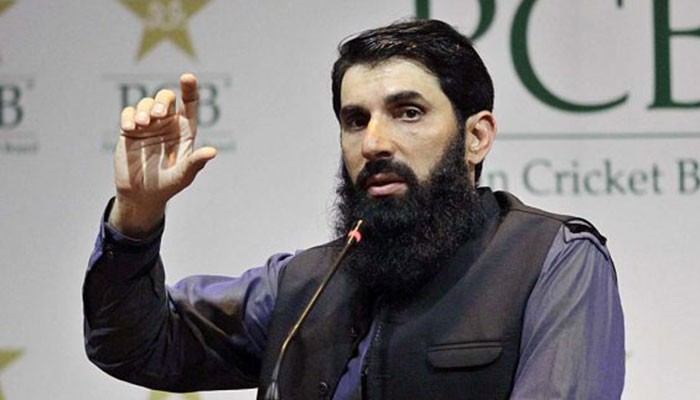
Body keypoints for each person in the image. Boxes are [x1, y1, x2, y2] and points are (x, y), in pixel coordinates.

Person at [83, 19, 625, 399]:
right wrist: (137, 214)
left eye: (408, 113)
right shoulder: (304, 284)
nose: (374, 143)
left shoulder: (551, 260)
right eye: (355, 120)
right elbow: (136, 344)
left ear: (476, 137)